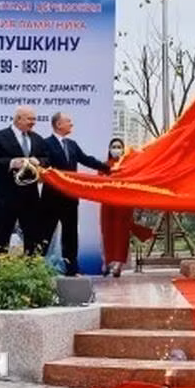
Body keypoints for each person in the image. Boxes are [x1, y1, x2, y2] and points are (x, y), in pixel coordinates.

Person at [41, 112, 109, 276]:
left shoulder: (71, 144)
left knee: (70, 234)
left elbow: (86, 159)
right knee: (45, 234)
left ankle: (72, 268)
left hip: (70, 198)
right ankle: (37, 268)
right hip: (51, 199)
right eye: (68, 121)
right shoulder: (45, 144)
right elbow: (43, 165)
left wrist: (108, 168)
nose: (71, 124)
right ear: (58, 124)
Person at [0, 106, 49, 256]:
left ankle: (32, 267)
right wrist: (12, 163)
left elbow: (47, 159)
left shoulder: (37, 139)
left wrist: (39, 161)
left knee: (33, 239)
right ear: (18, 119)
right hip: (4, 197)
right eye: (30, 119)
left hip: (30, 198)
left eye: (34, 119)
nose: (33, 122)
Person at [99, 138, 153, 277]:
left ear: (123, 149)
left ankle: (118, 264)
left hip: (123, 204)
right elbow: (99, 182)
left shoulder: (128, 165)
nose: (116, 149)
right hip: (107, 203)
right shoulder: (104, 165)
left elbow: (133, 181)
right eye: (114, 146)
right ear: (109, 149)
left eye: (119, 147)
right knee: (107, 232)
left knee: (122, 233)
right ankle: (107, 262)